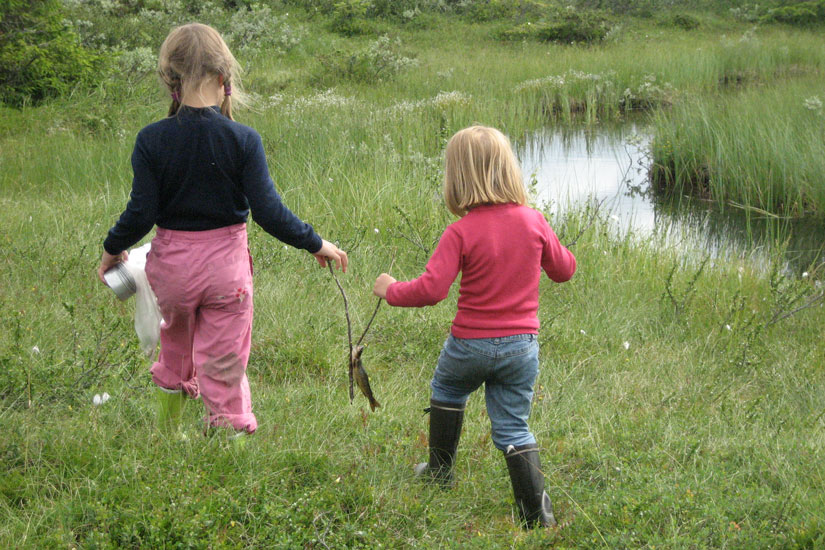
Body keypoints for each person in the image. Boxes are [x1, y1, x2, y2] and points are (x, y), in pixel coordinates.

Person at [97, 23, 347, 437]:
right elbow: (269, 213)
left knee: (174, 348)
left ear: (169, 80)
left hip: (171, 274)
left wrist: (112, 249)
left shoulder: (151, 140)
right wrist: (315, 242)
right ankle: (229, 444)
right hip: (225, 275)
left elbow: (141, 213)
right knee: (224, 361)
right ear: (223, 77)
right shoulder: (243, 139)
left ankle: (168, 433)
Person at [373, 125, 575, 528]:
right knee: (514, 424)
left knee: (448, 390)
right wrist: (547, 244)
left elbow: (432, 290)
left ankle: (440, 471)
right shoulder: (534, 221)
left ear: (457, 179)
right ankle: (535, 514)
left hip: (469, 345)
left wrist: (391, 289)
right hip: (521, 347)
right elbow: (564, 270)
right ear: (509, 171)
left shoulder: (461, 231)